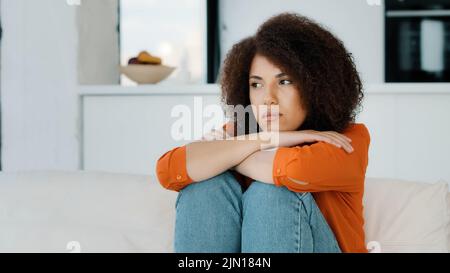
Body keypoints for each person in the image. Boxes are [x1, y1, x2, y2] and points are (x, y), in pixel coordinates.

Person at [156, 12, 370, 253]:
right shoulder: (243, 132)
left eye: (285, 81)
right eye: (256, 84)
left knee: (271, 191)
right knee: (203, 186)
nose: (268, 98)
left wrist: (225, 155)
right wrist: (268, 139)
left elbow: (293, 170)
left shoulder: (347, 138)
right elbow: (169, 169)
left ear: (316, 85)